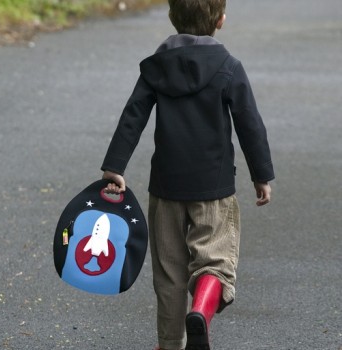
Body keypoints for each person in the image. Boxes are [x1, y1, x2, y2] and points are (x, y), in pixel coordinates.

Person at [101, 0, 275, 349]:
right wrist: (262, 174)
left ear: (171, 16)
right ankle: (200, 311)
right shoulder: (228, 66)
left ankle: (170, 343)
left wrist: (114, 166)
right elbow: (249, 123)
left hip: (166, 187)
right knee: (215, 259)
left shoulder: (157, 67)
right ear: (220, 20)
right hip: (214, 187)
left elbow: (133, 115)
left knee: (169, 274)